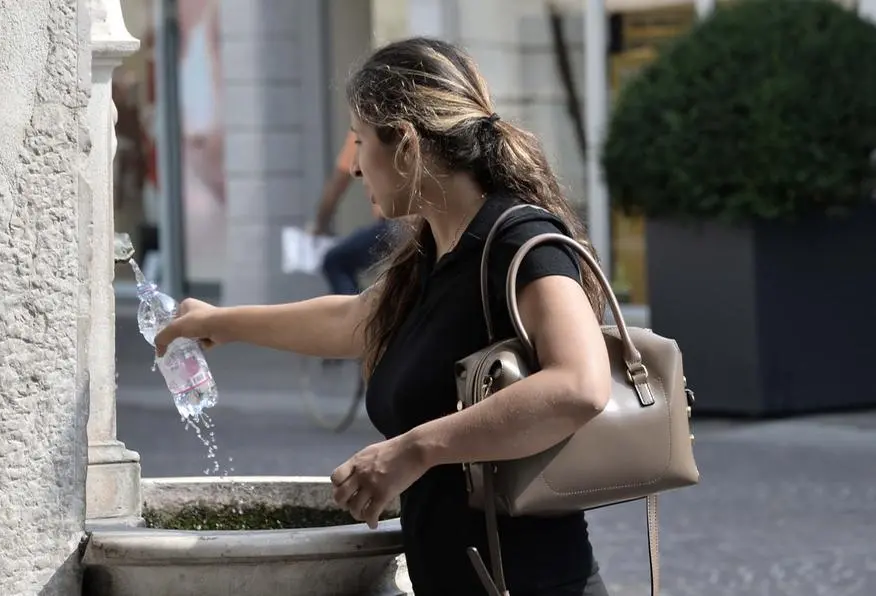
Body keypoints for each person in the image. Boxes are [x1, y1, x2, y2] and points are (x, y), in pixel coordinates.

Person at [155, 37, 612, 595]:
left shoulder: (522, 240)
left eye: (359, 141)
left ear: (406, 145)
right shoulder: (436, 253)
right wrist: (221, 321)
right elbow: (352, 320)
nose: (353, 168)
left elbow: (580, 385)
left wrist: (413, 448)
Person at [313, 130, 394, 295]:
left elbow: (336, 187)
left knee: (335, 262)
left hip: (395, 225)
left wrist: (320, 226)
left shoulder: (363, 129)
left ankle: (357, 318)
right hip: (406, 223)